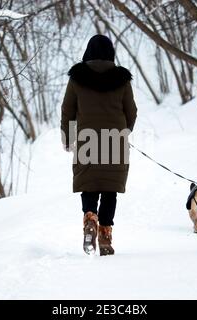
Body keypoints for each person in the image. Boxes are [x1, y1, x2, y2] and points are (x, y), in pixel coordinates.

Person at [60, 34, 137, 256]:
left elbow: (68, 110)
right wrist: (124, 131)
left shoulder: (77, 78)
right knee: (110, 189)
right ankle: (104, 234)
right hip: (115, 139)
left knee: (90, 184)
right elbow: (131, 111)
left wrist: (68, 137)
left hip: (86, 140)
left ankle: (90, 218)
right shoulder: (122, 79)